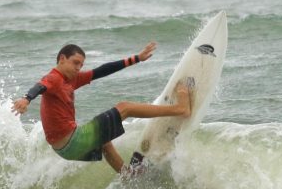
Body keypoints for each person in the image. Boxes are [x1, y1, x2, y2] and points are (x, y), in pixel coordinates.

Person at [11, 42, 191, 175]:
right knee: (125, 108)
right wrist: (27, 99)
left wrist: (137, 58)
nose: (78, 68)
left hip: (64, 149)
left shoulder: (71, 80)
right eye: (75, 63)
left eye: (81, 65)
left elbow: (101, 71)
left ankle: (128, 175)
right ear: (62, 59)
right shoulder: (54, 78)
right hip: (72, 142)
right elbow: (41, 86)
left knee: (104, 141)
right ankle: (180, 109)